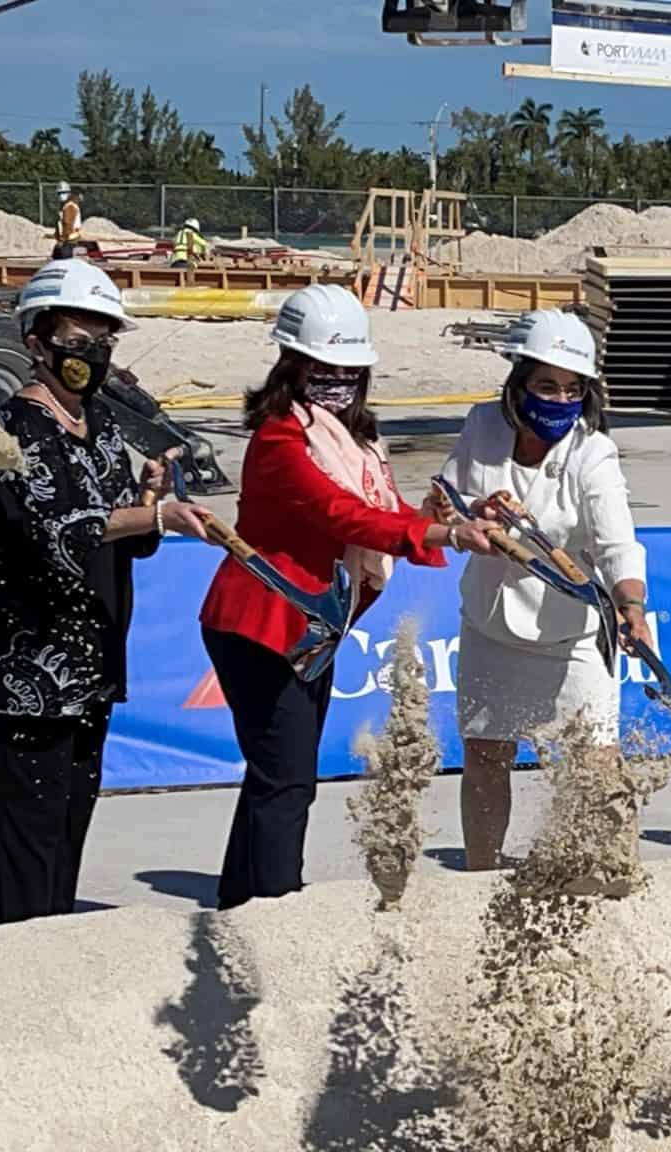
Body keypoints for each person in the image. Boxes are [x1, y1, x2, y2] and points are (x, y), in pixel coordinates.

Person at [201, 285, 494, 908]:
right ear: (291, 368)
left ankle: (238, 902)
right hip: (261, 623)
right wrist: (441, 532)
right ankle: (278, 907)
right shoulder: (282, 440)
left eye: (350, 371)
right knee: (286, 780)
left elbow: (372, 516)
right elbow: (342, 516)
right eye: (323, 370)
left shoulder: (355, 441)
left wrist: (426, 516)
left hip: (311, 625)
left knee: (276, 777)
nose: (339, 382)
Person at [0, 259, 207, 930]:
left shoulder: (101, 432)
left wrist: (148, 498)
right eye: (78, 340)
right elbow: (54, 528)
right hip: (18, 681)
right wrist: (152, 515)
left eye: (104, 343)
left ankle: (46, 982)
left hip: (86, 678)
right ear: (36, 343)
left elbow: (118, 538)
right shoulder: (7, 433)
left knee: (62, 846)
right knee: (16, 856)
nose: (90, 357)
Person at [436, 309, 649, 870]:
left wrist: (631, 604)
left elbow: (617, 543)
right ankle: (482, 871)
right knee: (486, 753)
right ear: (519, 383)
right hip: (493, 623)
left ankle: (608, 867)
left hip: (574, 634)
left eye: (573, 389)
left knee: (595, 762)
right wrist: (465, 512)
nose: (559, 399)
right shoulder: (482, 426)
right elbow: (444, 503)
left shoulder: (592, 451)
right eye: (546, 385)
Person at [53, 182, 82, 260]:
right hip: (66, 239)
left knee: (62, 258)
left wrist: (62, 240)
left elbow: (68, 224)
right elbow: (61, 224)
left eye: (63, 193)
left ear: (68, 193)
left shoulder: (70, 206)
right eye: (59, 193)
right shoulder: (65, 206)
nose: (60, 195)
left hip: (70, 240)